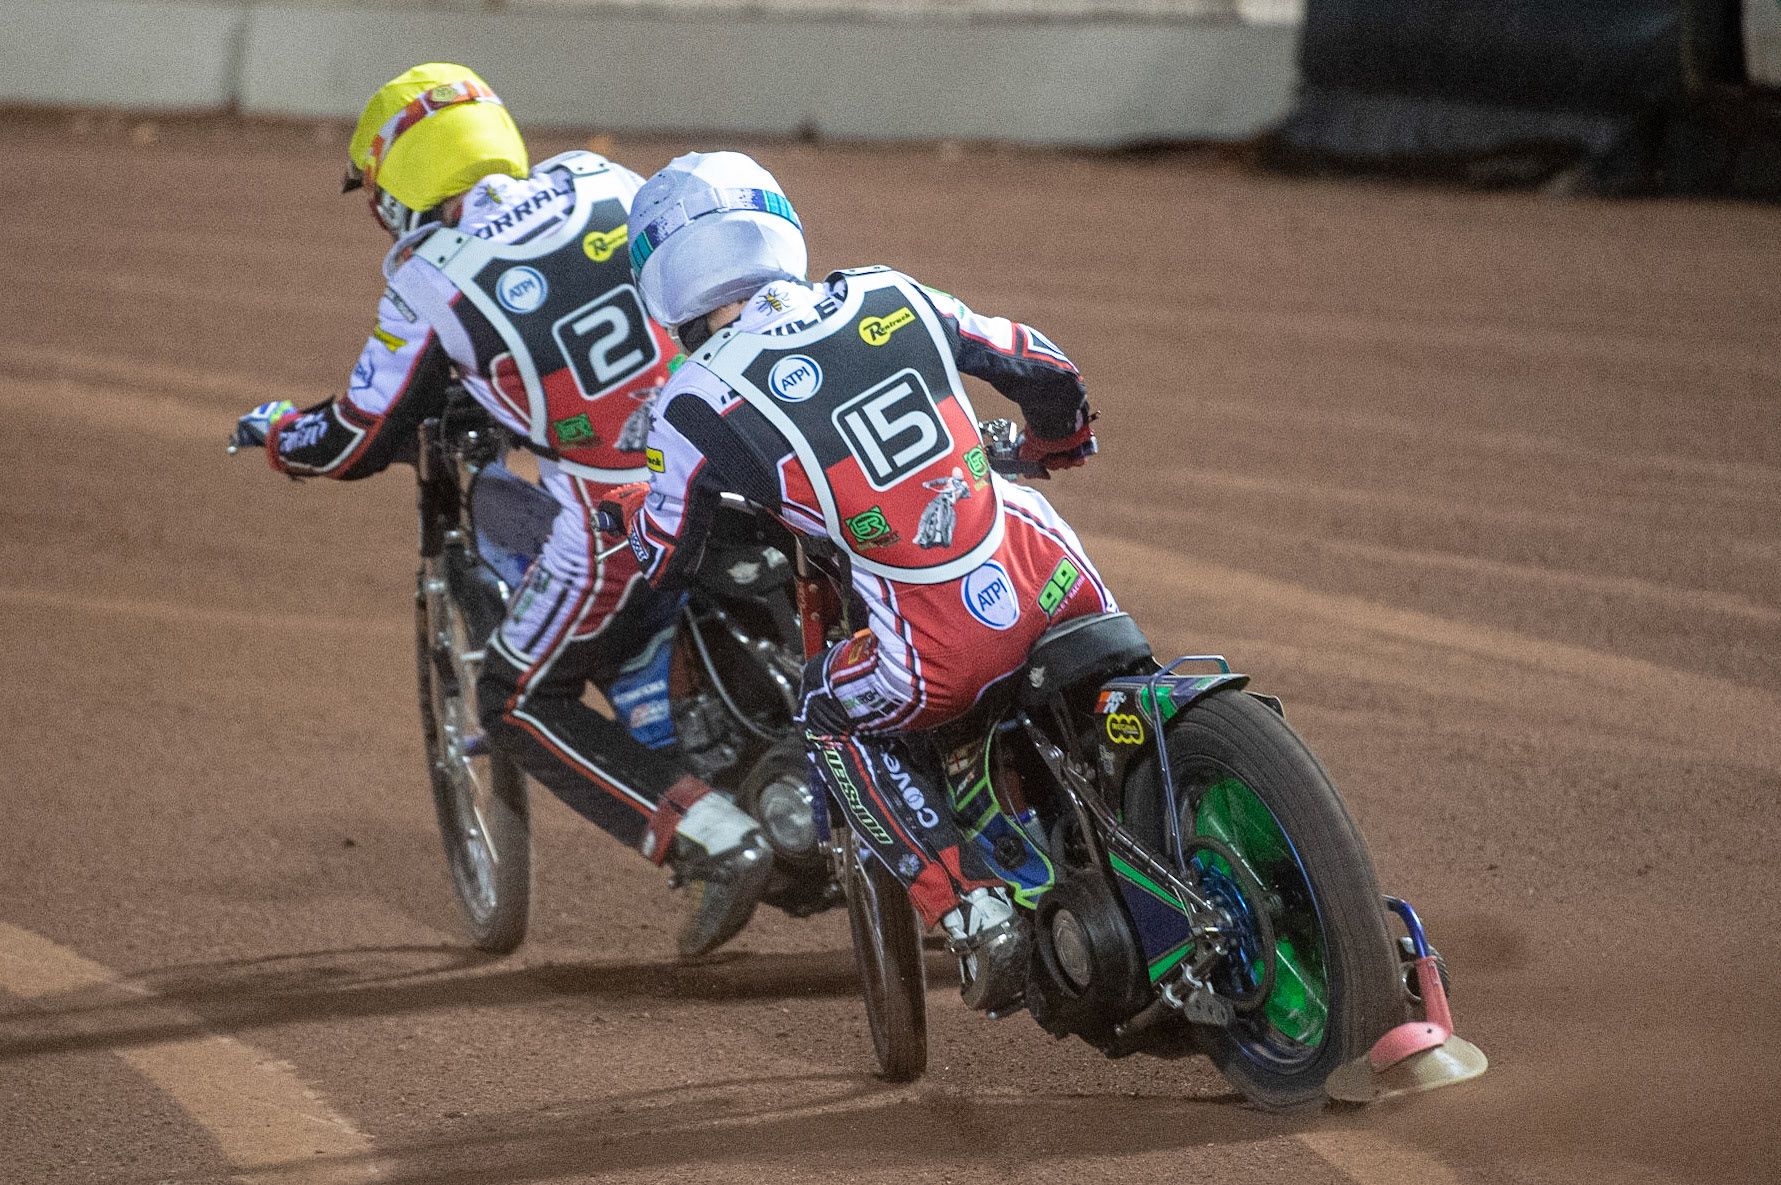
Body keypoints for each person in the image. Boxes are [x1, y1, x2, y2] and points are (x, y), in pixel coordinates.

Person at [231, 66, 771, 958]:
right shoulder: (605, 179)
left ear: (397, 186)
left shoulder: (430, 276)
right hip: (752, 455)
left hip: (624, 515)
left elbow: (359, 435)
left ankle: (712, 836)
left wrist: (281, 435)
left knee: (515, 696)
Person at [612, 150, 1115, 1009]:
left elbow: (668, 555)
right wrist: (1055, 442)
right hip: (1055, 569)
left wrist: (628, 508)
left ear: (661, 276)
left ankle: (969, 910)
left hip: (939, 644)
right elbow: (1042, 365)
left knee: (827, 710)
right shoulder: (890, 291)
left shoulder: (692, 399)